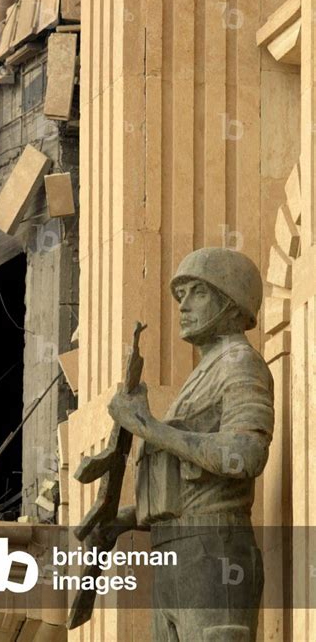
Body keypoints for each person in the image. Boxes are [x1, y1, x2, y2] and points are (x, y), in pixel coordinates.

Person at [105, 247, 274, 642]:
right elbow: (188, 489)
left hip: (214, 555)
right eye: (180, 295)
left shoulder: (240, 363)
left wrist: (149, 426)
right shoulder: (203, 374)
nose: (183, 305)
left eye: (197, 292)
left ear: (232, 302)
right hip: (178, 556)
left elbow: (246, 455)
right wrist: (122, 520)